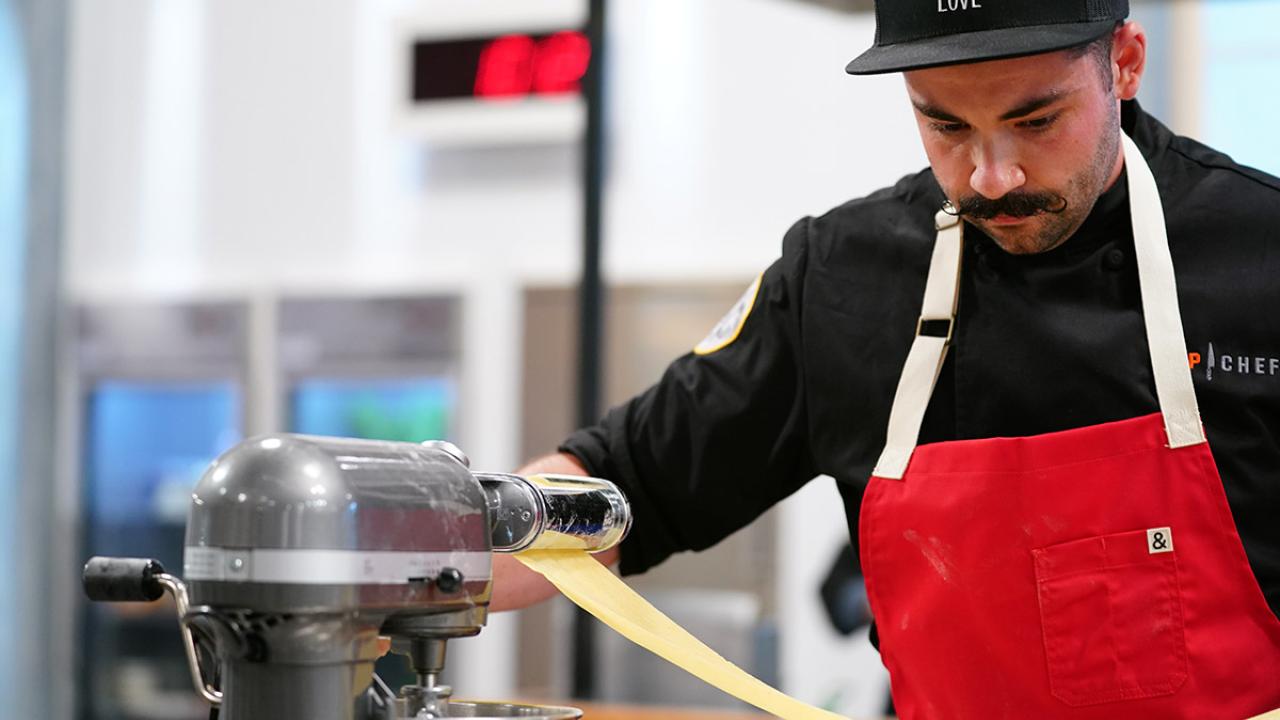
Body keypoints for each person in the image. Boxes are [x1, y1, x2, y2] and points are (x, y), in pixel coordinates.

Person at [494, 1, 1280, 717]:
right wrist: (437, 555)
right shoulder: (840, 277)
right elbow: (625, 485)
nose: (990, 175)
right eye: (946, 127)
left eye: (1037, 122)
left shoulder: (1261, 252)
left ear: (1126, 63)